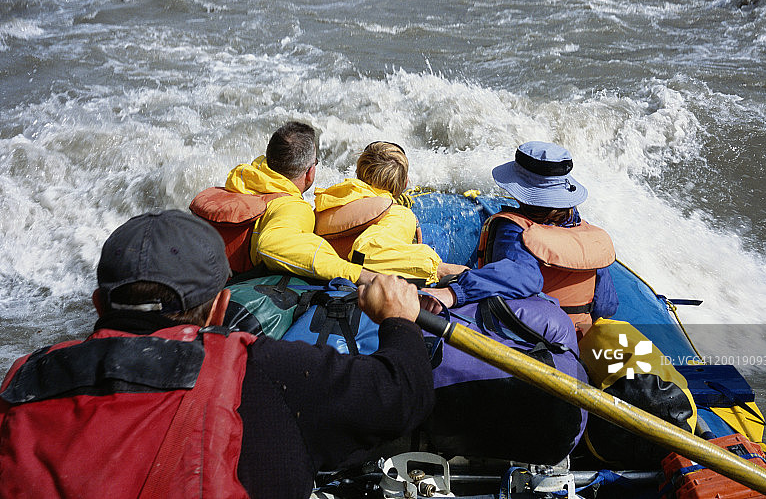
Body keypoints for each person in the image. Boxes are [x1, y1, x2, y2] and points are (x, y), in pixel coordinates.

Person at [0, 210, 434, 499]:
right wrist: (398, 318)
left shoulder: (23, 379)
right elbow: (402, 395)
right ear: (221, 307)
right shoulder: (258, 369)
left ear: (98, 304)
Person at [424, 141, 618, 338]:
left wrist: (455, 291)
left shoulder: (516, 230)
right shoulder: (589, 237)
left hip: (531, 335)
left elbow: (519, 277)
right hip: (576, 338)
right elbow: (606, 306)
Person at [223, 121, 376, 284]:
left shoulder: (240, 181)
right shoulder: (292, 207)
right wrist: (358, 274)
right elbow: (269, 245)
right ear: (310, 172)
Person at [314, 141, 468, 284]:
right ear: (405, 183)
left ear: (358, 173)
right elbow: (366, 254)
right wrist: (438, 269)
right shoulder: (399, 214)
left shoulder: (333, 198)